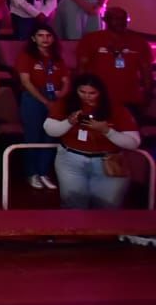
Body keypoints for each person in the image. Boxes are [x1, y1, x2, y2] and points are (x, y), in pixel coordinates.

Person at [45, 73, 140, 210]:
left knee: (106, 207)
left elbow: (133, 143)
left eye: (92, 93)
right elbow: (50, 130)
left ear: (100, 92)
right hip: (70, 161)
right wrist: (69, 122)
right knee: (73, 206)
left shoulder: (116, 108)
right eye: (82, 92)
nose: (86, 96)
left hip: (108, 163)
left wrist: (107, 131)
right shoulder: (65, 103)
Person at [15, 24, 69, 192]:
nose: (45, 39)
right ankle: (32, 173)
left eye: (48, 35)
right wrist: (44, 101)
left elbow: (66, 81)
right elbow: (25, 82)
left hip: (55, 98)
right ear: (33, 38)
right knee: (33, 136)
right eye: (41, 35)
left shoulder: (57, 57)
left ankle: (44, 172)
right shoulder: (26, 56)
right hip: (33, 98)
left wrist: (61, 94)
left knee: (50, 136)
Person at [77, 8, 151, 121]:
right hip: (98, 98)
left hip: (130, 99)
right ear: (105, 20)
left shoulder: (139, 42)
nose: (120, 21)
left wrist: (147, 95)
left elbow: (146, 71)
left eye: (123, 19)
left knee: (129, 130)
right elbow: (81, 69)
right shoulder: (90, 39)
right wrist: (80, 95)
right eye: (115, 18)